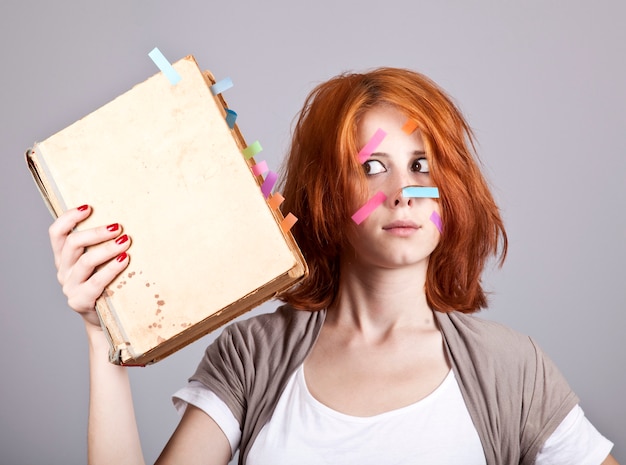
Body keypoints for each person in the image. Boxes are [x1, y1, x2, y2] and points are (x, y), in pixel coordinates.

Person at [49, 67, 618, 465]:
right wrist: (104, 336)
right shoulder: (253, 356)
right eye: (372, 166)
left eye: (421, 164)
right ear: (327, 193)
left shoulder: (511, 368)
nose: (402, 192)